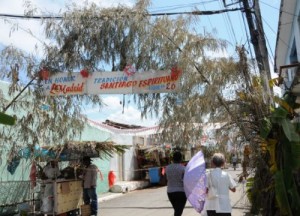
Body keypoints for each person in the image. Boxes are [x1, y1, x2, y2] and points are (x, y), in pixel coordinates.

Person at [165, 151, 187, 216]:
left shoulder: (167, 168)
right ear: (181, 159)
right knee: (178, 212)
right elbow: (186, 180)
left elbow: (166, 178)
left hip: (170, 192)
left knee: (177, 211)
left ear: (173, 159)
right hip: (181, 192)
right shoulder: (183, 168)